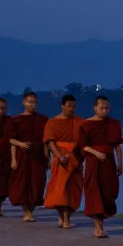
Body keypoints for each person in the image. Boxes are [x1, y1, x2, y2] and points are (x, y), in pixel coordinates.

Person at [76, 96, 123, 239]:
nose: (104, 110)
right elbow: (83, 145)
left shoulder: (114, 123)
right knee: (94, 192)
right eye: (101, 108)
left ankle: (102, 224)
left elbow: (117, 146)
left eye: (107, 108)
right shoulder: (86, 124)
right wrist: (96, 153)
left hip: (109, 162)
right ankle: (98, 228)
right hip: (93, 161)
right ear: (95, 108)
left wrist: (120, 164)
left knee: (108, 192)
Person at [43, 95, 84, 228]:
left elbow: (84, 141)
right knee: (61, 190)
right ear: (62, 105)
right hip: (60, 159)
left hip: (76, 158)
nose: (71, 109)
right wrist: (58, 156)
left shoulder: (80, 122)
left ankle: (65, 217)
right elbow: (50, 142)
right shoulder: (52, 122)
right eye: (69, 106)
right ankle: (65, 219)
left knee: (74, 189)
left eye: (73, 106)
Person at [8, 92, 49, 222]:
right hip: (23, 154)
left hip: (38, 154)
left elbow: (46, 141)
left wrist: (48, 157)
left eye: (34, 102)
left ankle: (30, 211)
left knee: (37, 183)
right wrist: (14, 157)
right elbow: (11, 140)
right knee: (23, 183)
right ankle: (26, 212)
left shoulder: (43, 119)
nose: (32, 104)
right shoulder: (16, 119)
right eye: (29, 102)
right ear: (23, 102)